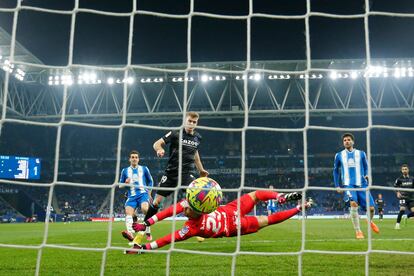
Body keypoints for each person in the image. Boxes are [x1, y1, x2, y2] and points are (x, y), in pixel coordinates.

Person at [125, 189, 307, 254]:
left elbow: (168, 238)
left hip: (234, 226)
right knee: (258, 196)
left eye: (185, 209)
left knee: (267, 220)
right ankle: (281, 198)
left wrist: (145, 246)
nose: (183, 208)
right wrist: (147, 224)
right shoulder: (199, 205)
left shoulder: (190, 228)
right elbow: (171, 212)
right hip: (231, 211)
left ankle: (294, 206)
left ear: (194, 211)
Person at [144, 112, 208, 222]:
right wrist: (159, 149)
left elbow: (195, 154)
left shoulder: (198, 137)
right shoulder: (175, 133)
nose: (191, 124)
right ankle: (143, 228)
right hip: (171, 174)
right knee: (156, 202)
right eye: (189, 121)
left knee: (198, 197)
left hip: (186, 175)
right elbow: (156, 143)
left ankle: (199, 226)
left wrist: (201, 170)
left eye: (194, 122)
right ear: (185, 121)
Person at [333, 133, 379, 239]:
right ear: (343, 143)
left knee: (371, 209)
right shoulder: (339, 155)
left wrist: (367, 174)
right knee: (353, 204)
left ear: (353, 142)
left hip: (362, 184)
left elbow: (366, 167)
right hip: (348, 184)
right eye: (345, 140)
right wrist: (337, 185)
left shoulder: (361, 153)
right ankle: (358, 231)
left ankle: (370, 221)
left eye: (349, 140)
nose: (347, 141)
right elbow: (335, 171)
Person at [119, 150, 154, 242]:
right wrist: (125, 183)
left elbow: (150, 181)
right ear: (129, 159)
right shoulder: (125, 171)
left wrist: (149, 193)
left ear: (138, 159)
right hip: (132, 196)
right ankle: (130, 233)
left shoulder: (144, 168)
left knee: (145, 209)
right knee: (128, 212)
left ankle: (148, 231)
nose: (134, 159)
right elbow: (120, 185)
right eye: (132, 157)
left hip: (143, 194)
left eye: (136, 157)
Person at [394, 164, 414, 230]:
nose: (404, 170)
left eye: (405, 169)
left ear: (408, 170)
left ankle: (406, 216)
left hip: (411, 198)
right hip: (403, 197)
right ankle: (397, 224)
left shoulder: (412, 179)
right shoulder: (399, 179)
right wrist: (397, 192)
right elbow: (395, 187)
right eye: (403, 169)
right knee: (402, 209)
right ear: (401, 170)